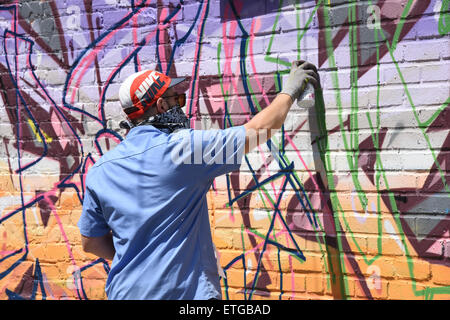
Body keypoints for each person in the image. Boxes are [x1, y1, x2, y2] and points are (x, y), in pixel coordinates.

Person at [77, 60, 320, 300]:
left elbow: (90, 243)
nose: (180, 107)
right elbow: (259, 129)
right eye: (176, 100)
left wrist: (139, 259)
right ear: (162, 106)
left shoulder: (101, 169)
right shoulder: (182, 150)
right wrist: (291, 89)